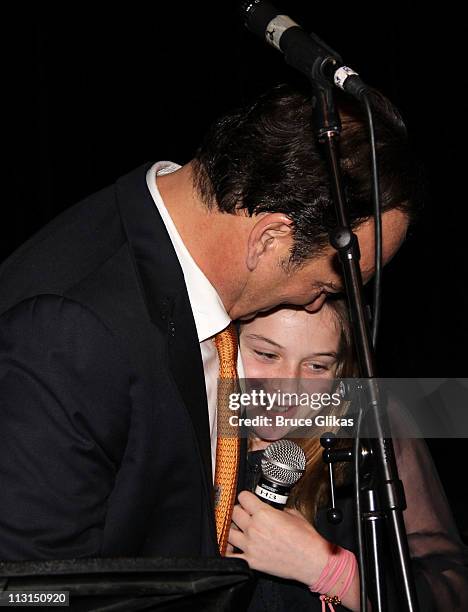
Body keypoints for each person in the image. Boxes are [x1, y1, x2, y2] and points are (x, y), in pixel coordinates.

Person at [0, 84, 417, 561]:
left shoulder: (178, 285)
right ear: (270, 238)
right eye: (330, 282)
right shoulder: (70, 332)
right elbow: (36, 590)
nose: (328, 300)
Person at [227, 302, 468, 610]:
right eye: (267, 354)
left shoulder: (371, 430)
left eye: (317, 366)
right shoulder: (196, 425)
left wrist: (333, 571)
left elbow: (453, 584)